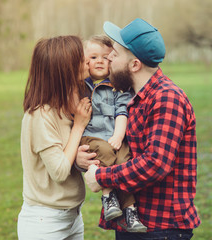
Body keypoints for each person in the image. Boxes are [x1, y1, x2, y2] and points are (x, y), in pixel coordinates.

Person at [78, 18, 201, 239]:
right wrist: (84, 158)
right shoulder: (130, 96)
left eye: (114, 54)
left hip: (160, 227)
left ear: (134, 65)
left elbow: (155, 164)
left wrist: (102, 177)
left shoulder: (166, 98)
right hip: (133, 223)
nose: (109, 58)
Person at [17, 35, 93, 240]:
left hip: (73, 217)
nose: (87, 60)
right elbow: (59, 171)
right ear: (64, 69)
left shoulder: (70, 103)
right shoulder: (40, 115)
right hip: (45, 222)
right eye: (80, 57)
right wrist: (78, 126)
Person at [80, 35, 146, 232]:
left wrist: (118, 135)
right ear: (84, 62)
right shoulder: (80, 87)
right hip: (92, 138)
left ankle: (130, 212)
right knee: (106, 153)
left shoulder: (118, 86)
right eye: (93, 58)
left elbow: (121, 112)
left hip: (113, 136)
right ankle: (108, 196)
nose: (99, 61)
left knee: (125, 159)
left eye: (105, 57)